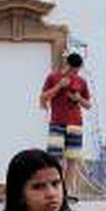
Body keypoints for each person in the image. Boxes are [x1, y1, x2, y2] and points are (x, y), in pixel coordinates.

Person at [40, 51, 93, 192]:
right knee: (54, 159)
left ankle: (67, 191)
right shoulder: (53, 77)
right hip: (57, 122)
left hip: (75, 124)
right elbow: (43, 97)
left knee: (72, 159)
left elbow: (88, 105)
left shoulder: (81, 81)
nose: (75, 73)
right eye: (73, 70)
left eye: (77, 70)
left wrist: (78, 99)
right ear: (67, 65)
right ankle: (55, 189)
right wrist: (59, 86)